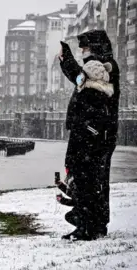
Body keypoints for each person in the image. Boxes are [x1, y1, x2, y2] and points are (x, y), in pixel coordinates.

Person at [59, 29, 119, 240]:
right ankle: (94, 222)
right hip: (95, 134)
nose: (82, 52)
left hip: (92, 135)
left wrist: (66, 58)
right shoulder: (101, 66)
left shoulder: (98, 68)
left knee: (89, 180)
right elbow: (79, 78)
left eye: (84, 48)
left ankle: (88, 224)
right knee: (94, 180)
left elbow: (79, 78)